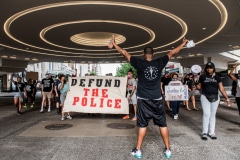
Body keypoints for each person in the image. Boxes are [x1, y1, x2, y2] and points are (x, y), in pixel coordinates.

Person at [111, 35, 188, 159]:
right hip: (157, 99)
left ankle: (138, 150)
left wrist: (114, 44)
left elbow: (124, 52)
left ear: (143, 54)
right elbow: (172, 52)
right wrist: (182, 44)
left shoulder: (139, 62)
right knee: (163, 124)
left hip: (143, 99)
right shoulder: (160, 62)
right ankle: (168, 150)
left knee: (142, 125)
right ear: (153, 54)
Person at [195, 62, 231, 140]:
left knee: (212, 114)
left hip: (215, 97)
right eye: (208, 68)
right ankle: (204, 132)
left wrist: (227, 98)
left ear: (213, 68)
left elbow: (221, 89)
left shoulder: (217, 77)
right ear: (206, 69)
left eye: (210, 68)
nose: (209, 69)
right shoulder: (202, 77)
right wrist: (195, 82)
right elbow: (199, 88)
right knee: (206, 114)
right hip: (205, 96)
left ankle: (212, 133)